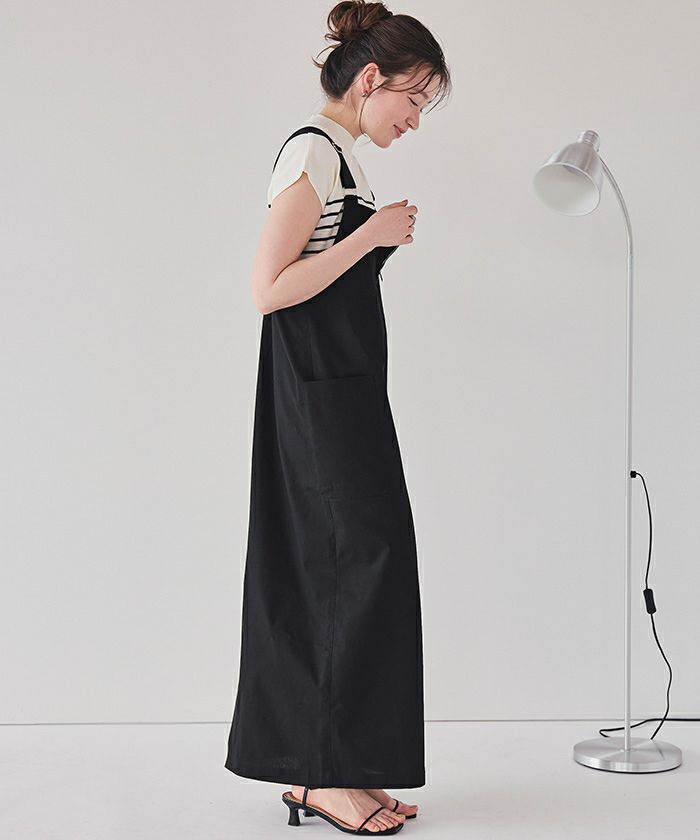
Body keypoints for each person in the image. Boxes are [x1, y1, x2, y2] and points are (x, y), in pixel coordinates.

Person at [224, 1, 451, 834]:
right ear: (370, 80)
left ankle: (348, 764)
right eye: (413, 100)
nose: (414, 120)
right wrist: (370, 236)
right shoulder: (312, 152)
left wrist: (371, 234)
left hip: (345, 390)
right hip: (316, 395)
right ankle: (319, 776)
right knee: (339, 569)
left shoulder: (341, 159)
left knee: (367, 564)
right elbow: (268, 289)